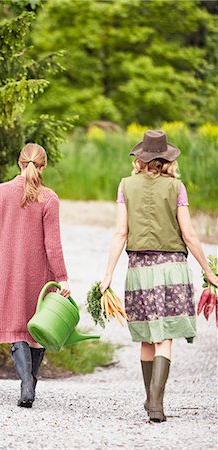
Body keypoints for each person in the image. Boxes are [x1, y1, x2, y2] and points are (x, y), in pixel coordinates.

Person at [100, 130, 218, 423]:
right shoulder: (176, 187)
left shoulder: (125, 186)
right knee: (165, 336)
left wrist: (108, 275)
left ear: (141, 158)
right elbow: (189, 234)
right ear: (166, 159)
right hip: (172, 270)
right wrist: (208, 271)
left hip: (139, 270)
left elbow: (121, 233)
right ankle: (156, 403)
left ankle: (150, 400)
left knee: (146, 337)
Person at [0, 143, 70, 408]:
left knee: (16, 329)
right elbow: (52, 245)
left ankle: (25, 385)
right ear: (42, 166)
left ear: (19, 163)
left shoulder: (0, 192)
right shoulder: (49, 198)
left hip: (8, 274)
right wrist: (63, 278)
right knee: (37, 330)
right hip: (40, 276)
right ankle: (30, 384)